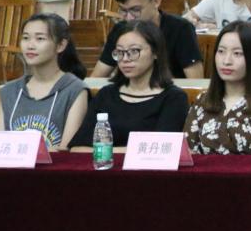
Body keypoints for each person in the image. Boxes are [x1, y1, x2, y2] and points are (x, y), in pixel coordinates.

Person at [69, 21, 189, 150]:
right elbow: (77, 148)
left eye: (134, 51)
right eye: (120, 52)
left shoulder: (173, 98)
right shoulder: (106, 94)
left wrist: (106, 151)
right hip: (103, 162)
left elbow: (161, 150)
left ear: (156, 52)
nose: (125, 59)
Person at [183, 21, 251, 154]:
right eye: (221, 51)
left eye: (237, 53)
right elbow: (189, 153)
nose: (226, 61)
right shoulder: (203, 101)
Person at [0, 14, 88, 150]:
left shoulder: (75, 90)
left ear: (61, 45)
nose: (30, 45)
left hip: (54, 164)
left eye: (40, 38)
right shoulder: (9, 90)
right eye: (25, 38)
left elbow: (66, 151)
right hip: (11, 164)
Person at [90, 0, 203, 79]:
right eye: (123, 10)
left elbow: (195, 83)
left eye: (135, 10)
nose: (129, 18)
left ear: (156, 2)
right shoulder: (120, 29)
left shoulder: (181, 29)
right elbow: (96, 79)